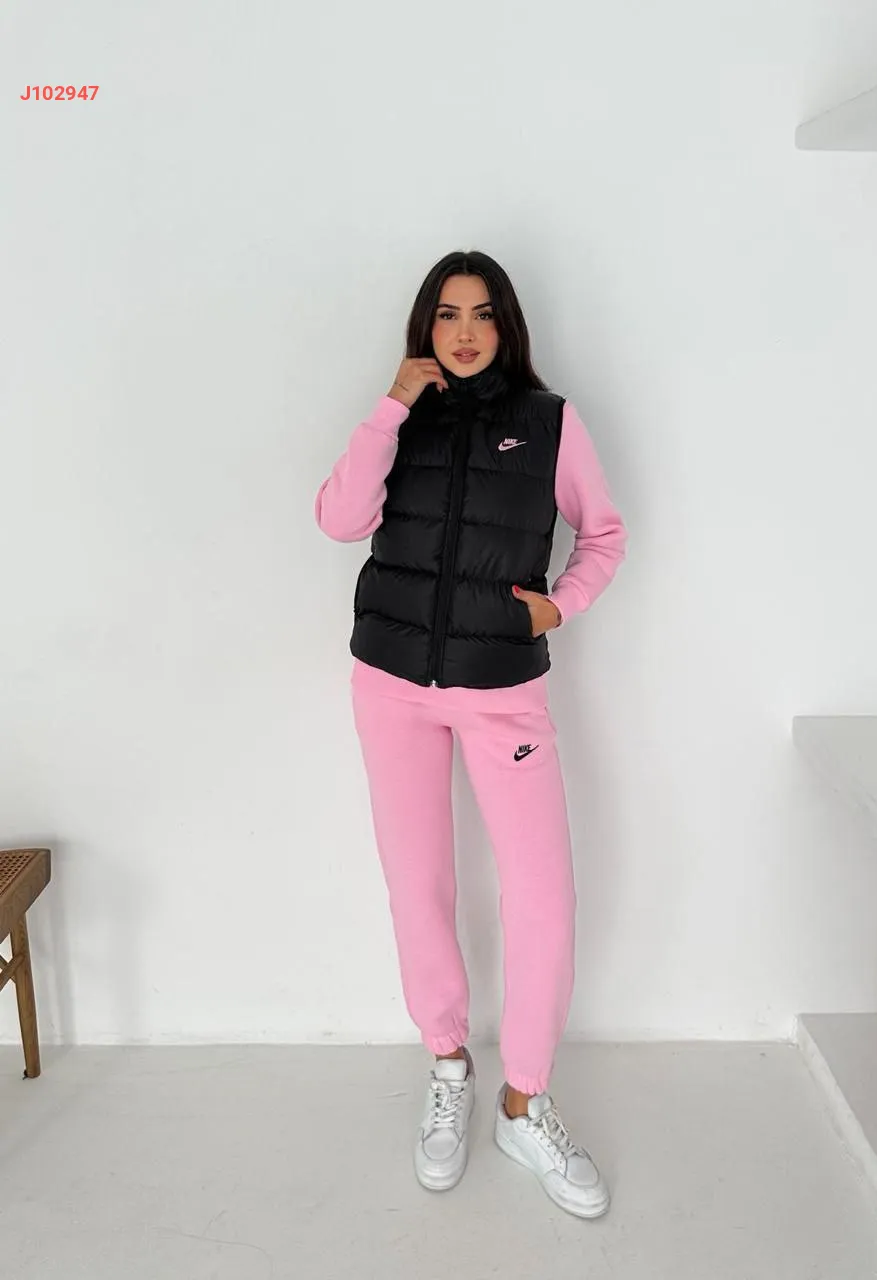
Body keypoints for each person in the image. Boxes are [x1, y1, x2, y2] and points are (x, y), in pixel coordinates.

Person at [315, 250, 626, 1219]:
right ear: (425, 326)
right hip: (391, 683)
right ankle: (448, 1065)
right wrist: (389, 405)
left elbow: (605, 532)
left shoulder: (550, 421)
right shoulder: (399, 417)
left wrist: (559, 605)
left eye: (482, 314)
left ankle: (524, 1103)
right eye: (447, 314)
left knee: (543, 898)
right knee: (418, 882)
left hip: (501, 691)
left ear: (506, 326)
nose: (463, 331)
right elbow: (338, 520)